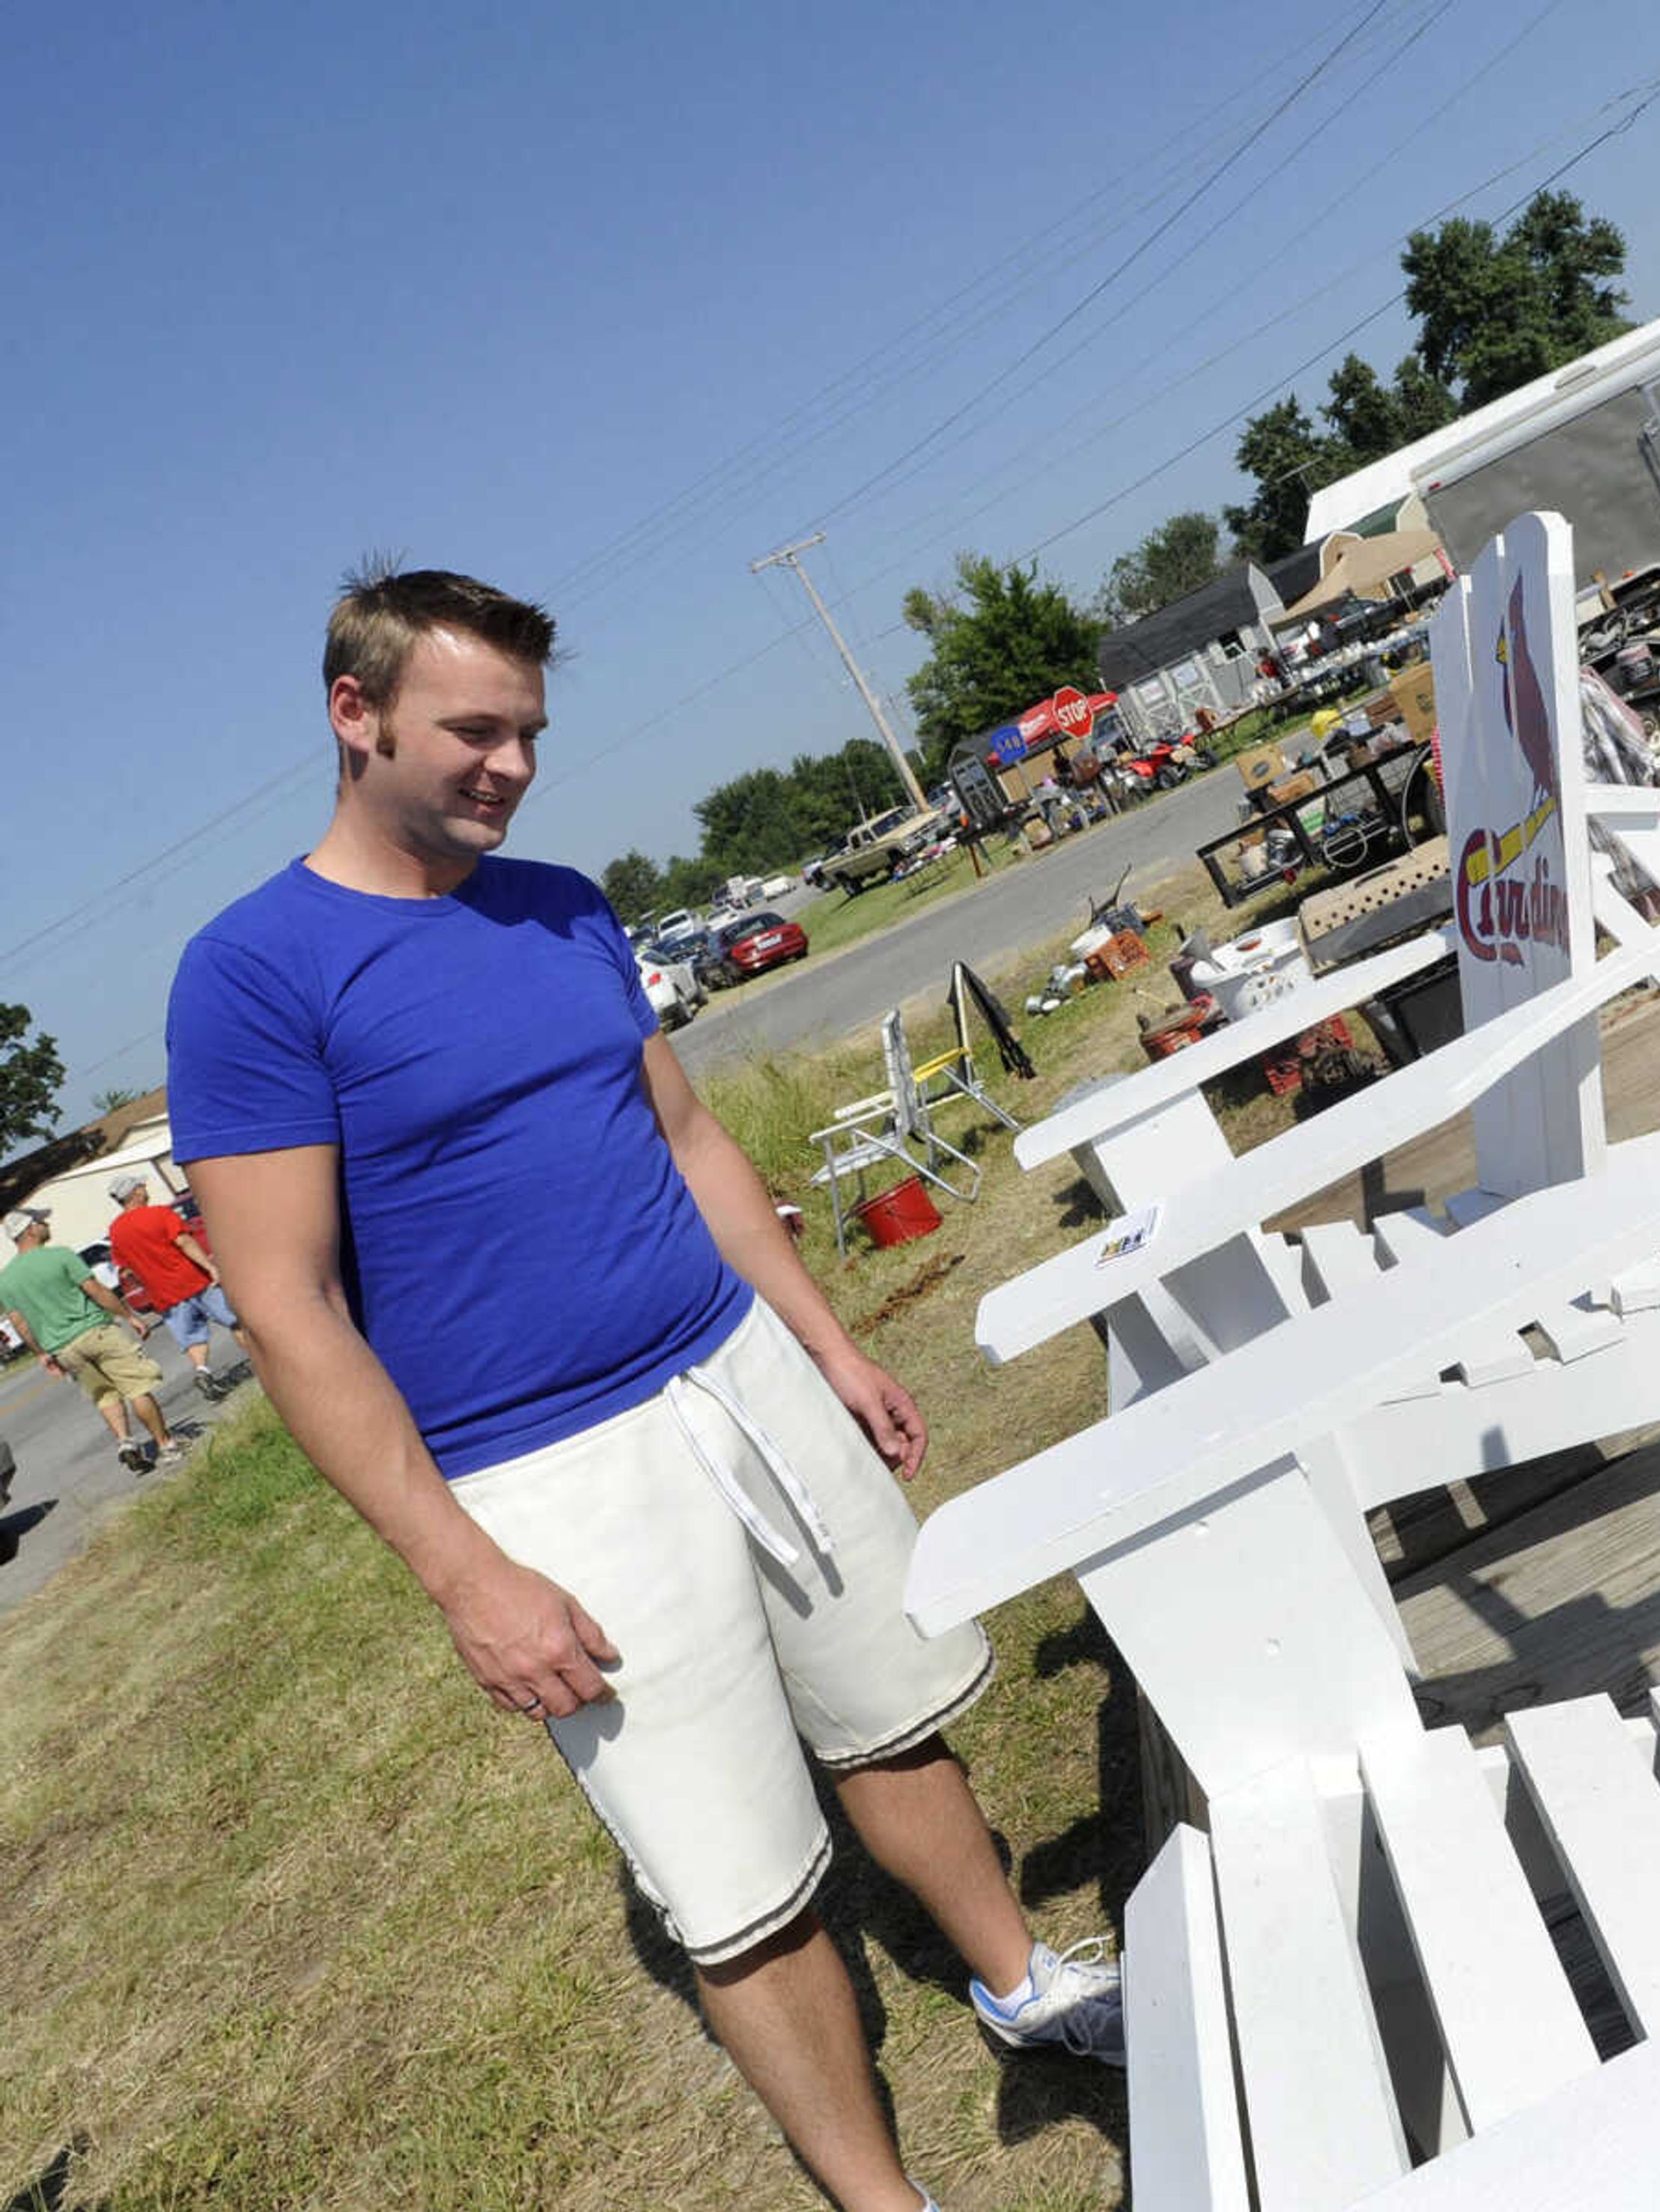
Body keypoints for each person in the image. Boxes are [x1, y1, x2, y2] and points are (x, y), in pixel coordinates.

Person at [167, 566, 1118, 2212]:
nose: (511, 766)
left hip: (737, 1371)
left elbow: (684, 1142)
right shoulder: (256, 973)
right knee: (739, 1882)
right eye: (474, 730)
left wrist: (825, 1346)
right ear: (354, 714)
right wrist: (468, 1573)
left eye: (529, 732)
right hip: (550, 1472)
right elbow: (288, 1306)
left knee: (885, 1712)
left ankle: (1028, 1984)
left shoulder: (563, 904)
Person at [0, 1206, 180, 1473]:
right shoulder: (60, 1256)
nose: (46, 1224)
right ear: (30, 1229)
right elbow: (95, 1290)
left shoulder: (6, 1280)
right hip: (95, 1331)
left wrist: (41, 1353)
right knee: (137, 1388)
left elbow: (19, 1323)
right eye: (40, 1221)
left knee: (105, 1397)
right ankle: (166, 1445)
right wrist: (129, 1316)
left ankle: (126, 1442)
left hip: (64, 1349)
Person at [103, 1173, 252, 1398]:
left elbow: (124, 1268)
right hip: (194, 1280)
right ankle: (263, 1363)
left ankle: (203, 1372)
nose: (145, 1189)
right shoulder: (160, 1214)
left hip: (165, 1295)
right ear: (135, 1192)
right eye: (142, 1186)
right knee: (235, 1321)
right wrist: (210, 1267)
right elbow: (184, 1241)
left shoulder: (116, 1231)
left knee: (192, 1339)